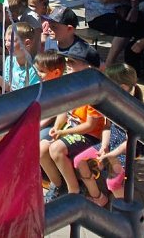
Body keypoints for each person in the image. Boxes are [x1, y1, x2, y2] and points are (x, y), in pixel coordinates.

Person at [40, 44, 103, 203]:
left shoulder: (93, 92)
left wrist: (63, 133)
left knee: (56, 149)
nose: (67, 64)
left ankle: (73, 191)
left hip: (89, 136)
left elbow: (90, 126)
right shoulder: (72, 85)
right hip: (71, 130)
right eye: (68, 61)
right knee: (41, 149)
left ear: (88, 67)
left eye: (73, 62)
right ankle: (57, 184)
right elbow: (64, 111)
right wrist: (56, 128)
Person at [73, 64, 142, 207]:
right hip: (110, 146)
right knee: (80, 161)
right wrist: (104, 146)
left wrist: (112, 155)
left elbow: (132, 141)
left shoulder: (134, 111)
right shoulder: (113, 103)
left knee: (113, 183)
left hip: (125, 152)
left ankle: (128, 211)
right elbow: (107, 126)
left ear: (122, 87)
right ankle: (97, 197)